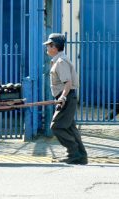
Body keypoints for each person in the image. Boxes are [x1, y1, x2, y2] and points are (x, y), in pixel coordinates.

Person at [43, 33, 88, 165]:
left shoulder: (61, 62)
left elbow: (67, 82)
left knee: (57, 126)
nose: (47, 48)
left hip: (66, 97)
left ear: (55, 47)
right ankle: (81, 156)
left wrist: (62, 97)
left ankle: (73, 153)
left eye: (49, 45)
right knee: (70, 128)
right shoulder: (59, 59)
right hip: (67, 96)